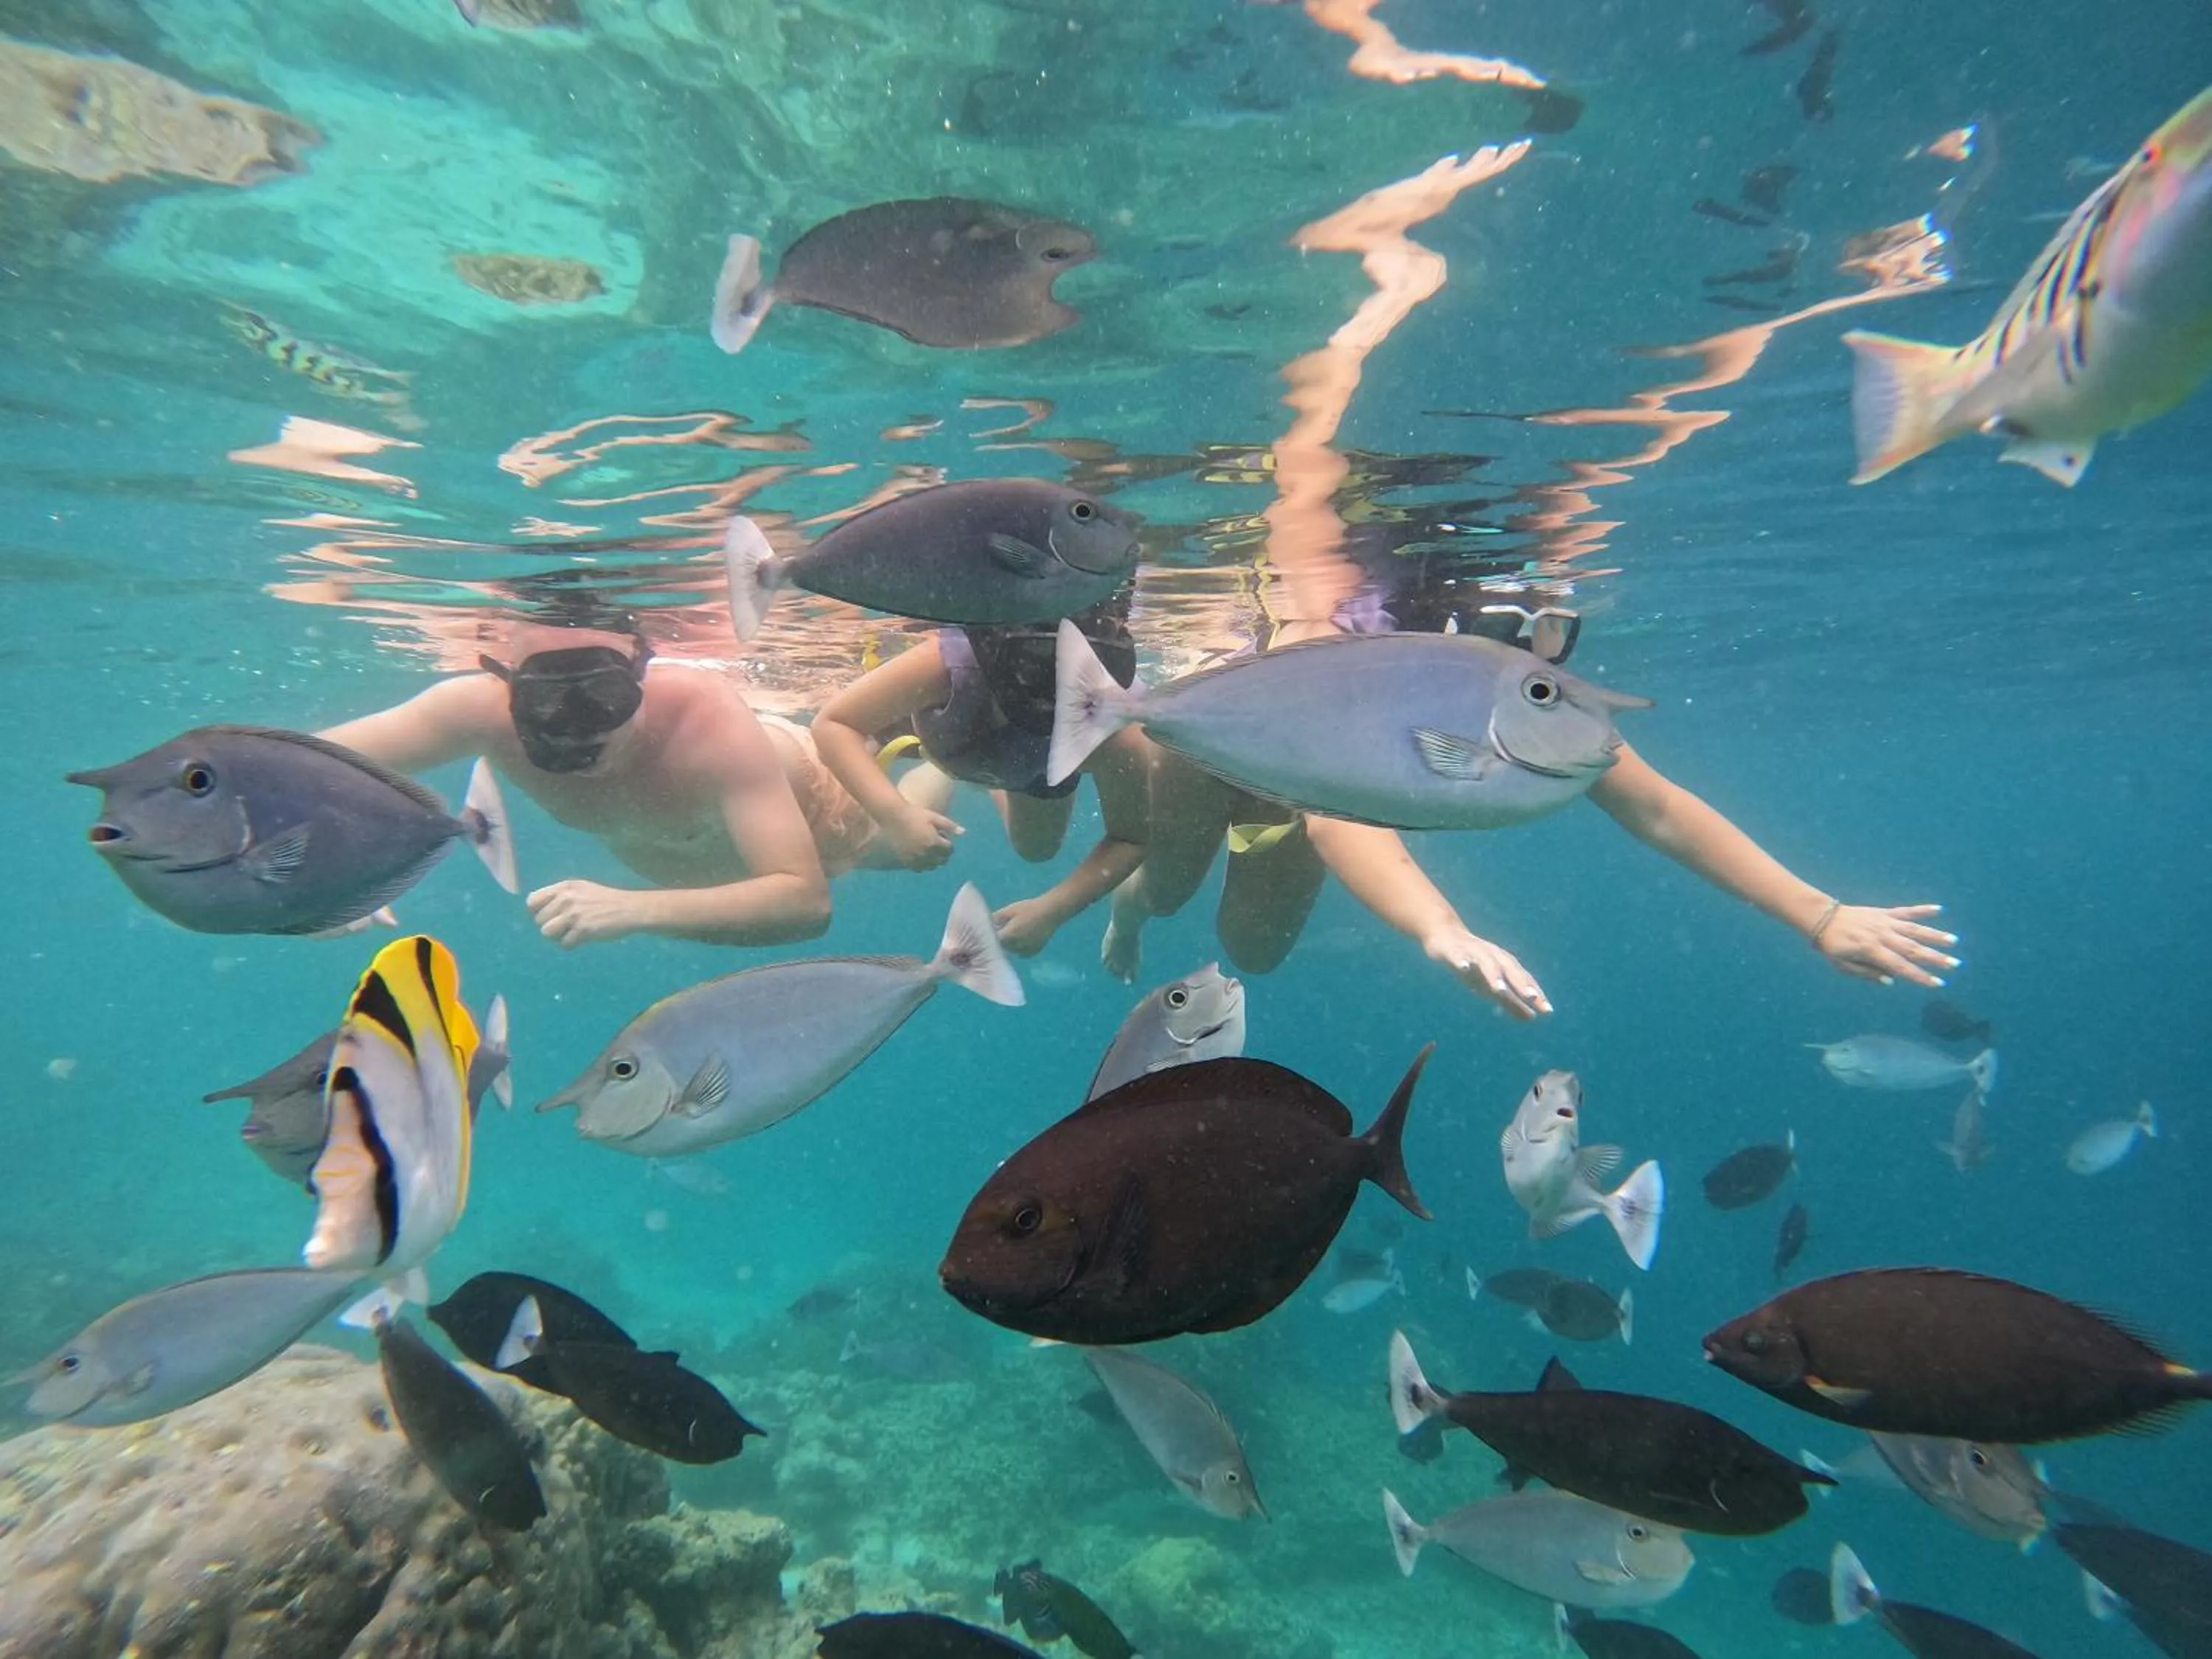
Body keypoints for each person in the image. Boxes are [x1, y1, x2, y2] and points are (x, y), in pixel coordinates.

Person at [1102, 591, 1958, 1018]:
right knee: (1170, 887)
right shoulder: (1347, 629)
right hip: (1219, 762)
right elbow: (1334, 818)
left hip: (1319, 810)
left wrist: (1821, 916)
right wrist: (1443, 929)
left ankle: (1238, 842)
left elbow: (1655, 806)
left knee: (1254, 952)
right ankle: (1128, 906)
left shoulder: (1527, 701)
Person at [319, 622, 917, 947]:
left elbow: (804, 903)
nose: (585, 731)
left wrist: (632, 908)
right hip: (699, 854)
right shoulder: (476, 713)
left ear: (640, 673)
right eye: (549, 700)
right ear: (506, 681)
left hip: (820, 807)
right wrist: (337, 864)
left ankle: (936, 755)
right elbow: (294, 763)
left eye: (606, 697)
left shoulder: (706, 718)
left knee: (908, 844)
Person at [809, 598, 1150, 956]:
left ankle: (978, 779)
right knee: (837, 777)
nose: (1044, 712)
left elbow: (1132, 838)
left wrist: (1052, 910)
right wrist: (896, 816)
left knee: (1037, 850)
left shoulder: (1110, 732)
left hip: (1027, 767)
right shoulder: (948, 663)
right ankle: (950, 771)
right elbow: (833, 724)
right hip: (920, 725)